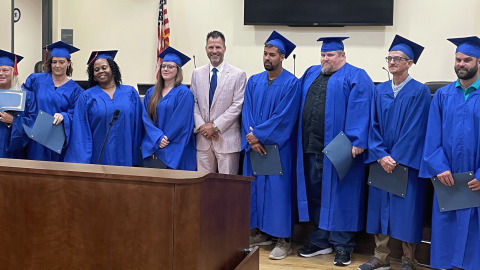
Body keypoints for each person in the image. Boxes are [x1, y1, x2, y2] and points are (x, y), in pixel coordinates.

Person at [295, 37, 374, 266]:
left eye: (330, 55)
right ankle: (321, 240)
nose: (325, 59)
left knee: (341, 195)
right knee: (317, 194)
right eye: (323, 55)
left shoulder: (356, 75)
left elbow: (362, 107)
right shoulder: (311, 73)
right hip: (311, 147)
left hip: (341, 149)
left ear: (342, 56)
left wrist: (357, 140)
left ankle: (342, 244)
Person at [357, 35, 430, 270]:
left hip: (405, 162)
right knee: (380, 208)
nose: (392, 62)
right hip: (382, 161)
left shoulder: (420, 92)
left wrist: (395, 158)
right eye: (389, 58)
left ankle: (409, 258)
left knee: (407, 210)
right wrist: (380, 154)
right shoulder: (380, 91)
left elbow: (416, 129)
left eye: (398, 58)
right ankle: (381, 256)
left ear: (410, 63)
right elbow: (372, 125)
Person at [420, 36, 480, 270]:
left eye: (467, 60)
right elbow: (431, 137)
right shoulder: (443, 95)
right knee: (447, 223)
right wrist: (440, 167)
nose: (461, 64)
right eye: (458, 60)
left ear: (478, 63)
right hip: (449, 177)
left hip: (476, 178)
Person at [243, 30, 301, 260]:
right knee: (255, 190)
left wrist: (258, 135)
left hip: (278, 148)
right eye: (265, 53)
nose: (267, 58)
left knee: (279, 192)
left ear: (282, 56)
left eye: (272, 54)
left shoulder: (291, 84)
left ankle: (283, 240)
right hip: (255, 148)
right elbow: (245, 111)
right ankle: (260, 233)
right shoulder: (254, 81)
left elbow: (284, 117)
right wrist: (251, 137)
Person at [64, 51, 142, 166]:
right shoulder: (87, 97)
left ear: (113, 70)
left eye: (104, 67)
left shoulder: (130, 93)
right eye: (96, 70)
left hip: (126, 153)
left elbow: (139, 125)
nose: (100, 71)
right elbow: (80, 129)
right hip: (99, 154)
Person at [191, 30, 246, 174]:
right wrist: (203, 127)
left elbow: (237, 105)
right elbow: (193, 102)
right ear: (206, 49)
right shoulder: (197, 74)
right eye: (211, 47)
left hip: (227, 140)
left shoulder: (238, 74)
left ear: (224, 48)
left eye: (218, 47)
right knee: (204, 187)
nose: (214, 51)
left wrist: (215, 127)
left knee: (227, 188)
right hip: (203, 141)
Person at [23, 41, 83, 161]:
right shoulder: (35, 80)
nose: (57, 65)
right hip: (35, 136)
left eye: (62, 62)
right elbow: (25, 100)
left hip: (58, 139)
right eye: (54, 62)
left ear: (68, 63)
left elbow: (76, 114)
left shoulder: (76, 90)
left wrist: (64, 116)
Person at [141, 46, 196, 170]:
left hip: (176, 146)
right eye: (163, 66)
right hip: (155, 144)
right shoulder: (151, 93)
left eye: (170, 66)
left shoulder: (184, 94)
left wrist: (163, 141)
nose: (166, 69)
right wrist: (156, 139)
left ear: (178, 70)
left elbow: (181, 122)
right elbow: (146, 118)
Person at [0, 50, 36, 158]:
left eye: (5, 70)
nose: (1, 73)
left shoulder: (26, 96)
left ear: (13, 72)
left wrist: (13, 120)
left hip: (14, 151)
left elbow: (33, 122)